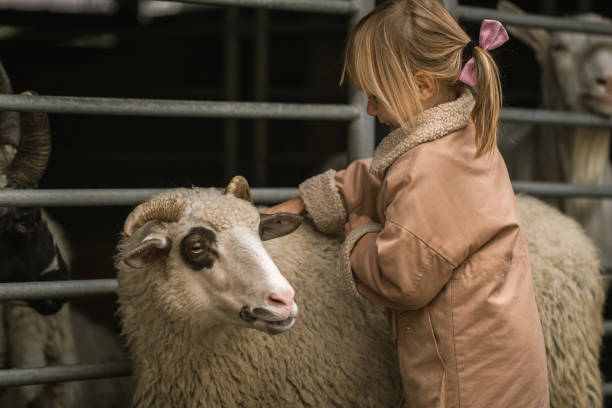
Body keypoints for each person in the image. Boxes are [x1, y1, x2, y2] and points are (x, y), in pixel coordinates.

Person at [262, 0, 550, 406]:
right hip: (496, 364)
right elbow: (383, 179)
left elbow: (403, 279)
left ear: (422, 86)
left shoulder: (430, 167)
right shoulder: (454, 142)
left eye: (376, 96)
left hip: (465, 383)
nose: (370, 109)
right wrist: (312, 200)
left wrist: (359, 233)